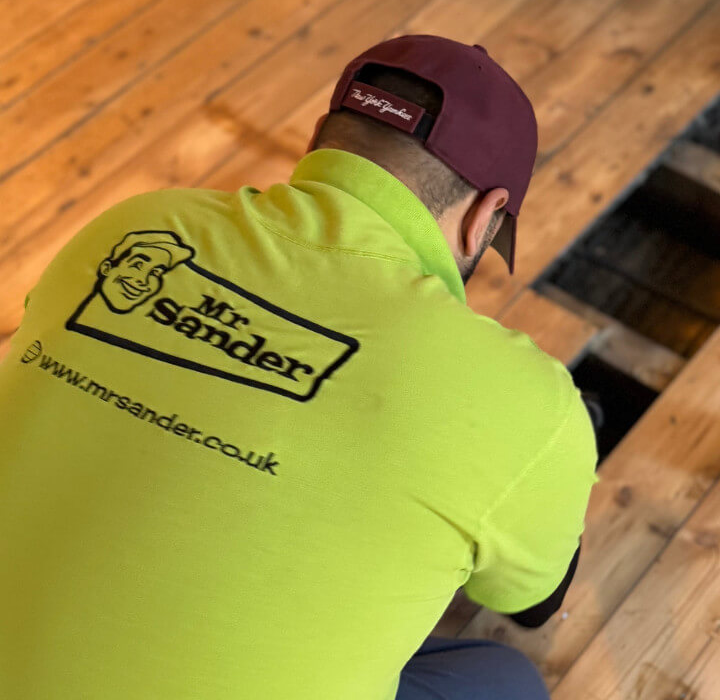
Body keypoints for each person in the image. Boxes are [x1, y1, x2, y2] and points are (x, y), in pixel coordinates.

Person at [0, 35, 597, 700]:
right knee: (504, 680)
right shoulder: (522, 400)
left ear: (322, 140)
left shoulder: (136, 226)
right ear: (485, 217)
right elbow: (532, 604)